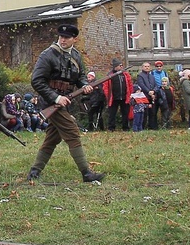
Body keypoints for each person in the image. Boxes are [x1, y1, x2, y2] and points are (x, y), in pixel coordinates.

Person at [26, 24, 105, 183]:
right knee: (72, 132)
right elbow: (37, 81)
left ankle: (34, 171)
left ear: (74, 39)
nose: (63, 40)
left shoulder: (75, 55)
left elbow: (80, 76)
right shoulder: (47, 55)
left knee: (52, 139)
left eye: (67, 38)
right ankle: (86, 173)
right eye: (61, 37)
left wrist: (84, 86)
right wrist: (55, 98)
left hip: (65, 101)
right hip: (50, 103)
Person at [103, 59, 132, 132]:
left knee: (125, 113)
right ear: (115, 67)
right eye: (120, 65)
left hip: (124, 97)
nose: (122, 67)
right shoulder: (110, 75)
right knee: (112, 114)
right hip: (113, 98)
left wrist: (130, 94)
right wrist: (108, 96)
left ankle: (125, 128)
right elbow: (105, 87)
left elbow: (130, 85)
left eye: (122, 65)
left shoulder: (125, 74)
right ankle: (111, 128)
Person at [136, 62, 157, 130]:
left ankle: (152, 127)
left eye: (148, 66)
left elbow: (156, 85)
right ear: (142, 67)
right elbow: (142, 85)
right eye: (145, 66)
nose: (147, 67)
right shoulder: (140, 75)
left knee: (152, 112)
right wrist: (148, 92)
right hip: (144, 97)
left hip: (152, 96)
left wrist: (154, 91)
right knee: (144, 113)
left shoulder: (152, 76)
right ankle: (142, 127)